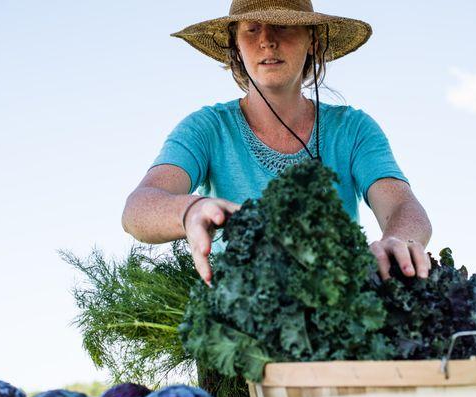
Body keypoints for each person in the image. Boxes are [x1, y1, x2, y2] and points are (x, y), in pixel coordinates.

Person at [122, 0, 432, 287]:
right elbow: (137, 210)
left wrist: (399, 239)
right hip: (241, 329)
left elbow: (402, 205)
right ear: (236, 46)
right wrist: (190, 210)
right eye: (252, 29)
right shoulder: (207, 129)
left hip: (336, 304)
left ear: (313, 40)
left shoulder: (352, 130)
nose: (267, 40)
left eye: (283, 26)